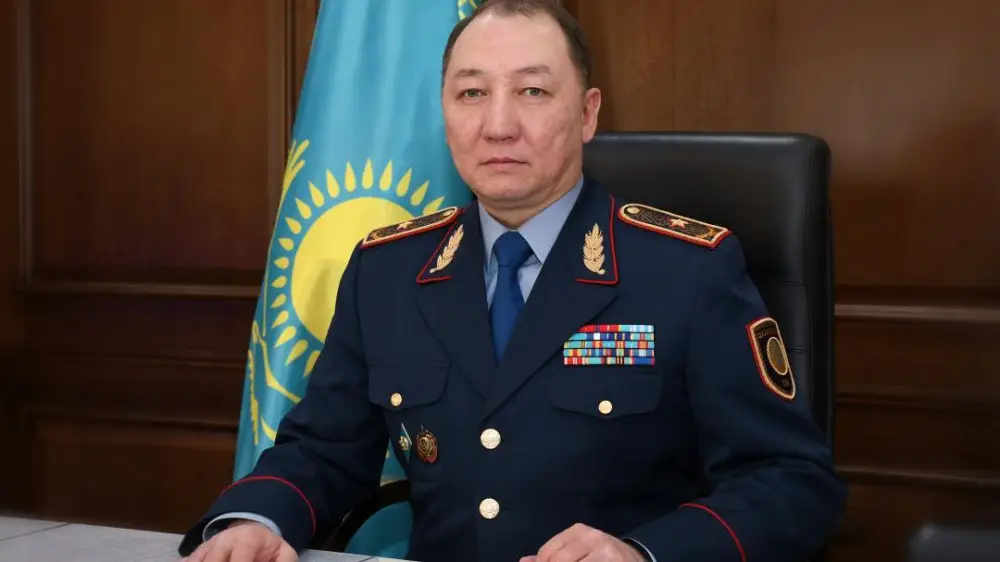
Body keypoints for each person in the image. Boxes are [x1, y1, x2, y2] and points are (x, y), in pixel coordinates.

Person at [178, 1, 847, 561]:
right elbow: (324, 449)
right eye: (472, 93)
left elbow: (790, 479)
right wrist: (255, 522)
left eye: (532, 91)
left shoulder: (688, 270)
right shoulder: (387, 271)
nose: (498, 126)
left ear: (587, 114)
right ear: (444, 112)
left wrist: (643, 553)